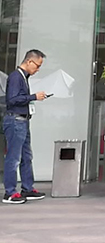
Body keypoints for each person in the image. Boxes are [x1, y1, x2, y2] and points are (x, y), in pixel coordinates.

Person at [3, 50, 47, 204]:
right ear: (29, 61)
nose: (38, 69)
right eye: (37, 65)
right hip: (15, 120)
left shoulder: (22, 77)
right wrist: (33, 97)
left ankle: (27, 188)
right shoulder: (16, 76)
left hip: (22, 120)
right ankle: (10, 192)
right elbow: (12, 99)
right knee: (14, 158)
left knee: (26, 157)